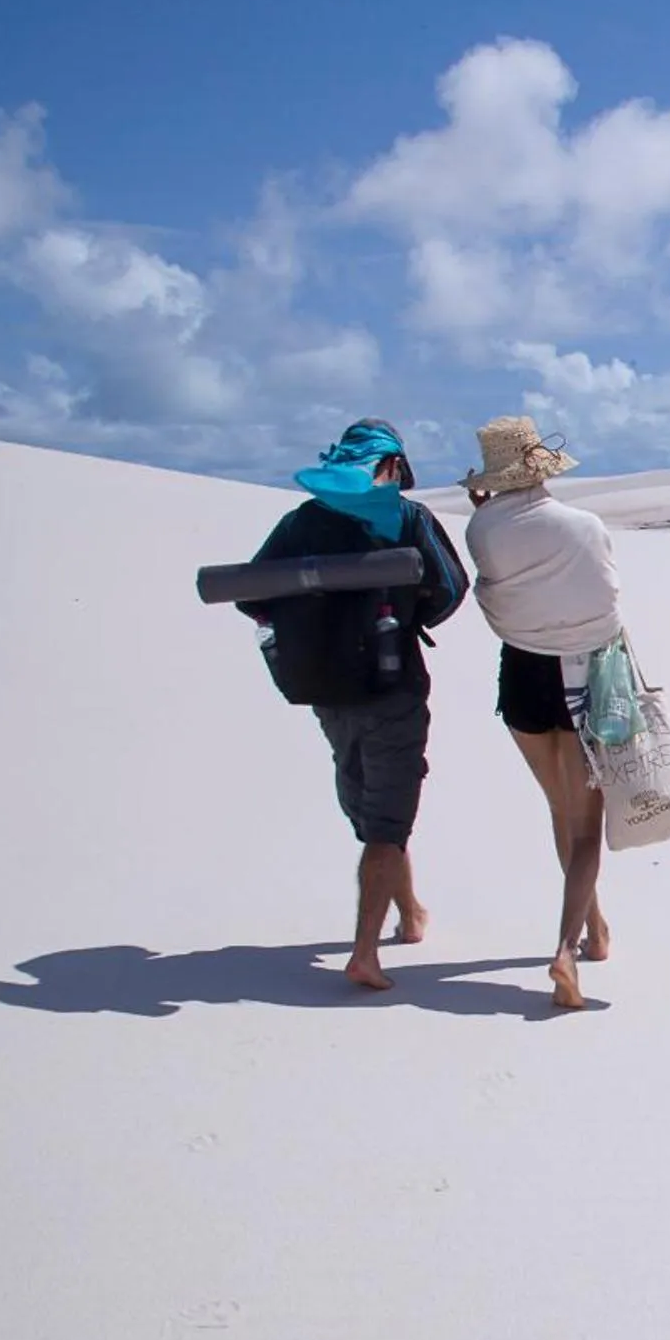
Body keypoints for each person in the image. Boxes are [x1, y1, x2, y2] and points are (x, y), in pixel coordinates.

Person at [243, 419, 467, 990]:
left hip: (325, 690)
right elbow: (450, 589)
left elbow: (251, 592)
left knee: (375, 808)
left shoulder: (302, 522)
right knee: (386, 821)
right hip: (393, 687)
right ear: (390, 465)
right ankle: (365, 951)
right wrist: (403, 611)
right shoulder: (408, 519)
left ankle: (410, 913)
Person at [460, 416, 622, 1010]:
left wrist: (484, 508)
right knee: (586, 823)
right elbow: (605, 599)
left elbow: (494, 586)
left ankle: (596, 929)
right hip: (582, 673)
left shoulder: (483, 530)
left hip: (522, 673)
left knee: (561, 806)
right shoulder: (584, 525)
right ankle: (565, 950)